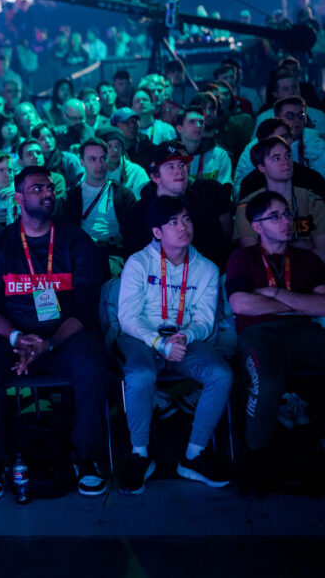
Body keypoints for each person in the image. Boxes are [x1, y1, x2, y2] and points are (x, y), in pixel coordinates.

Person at [0, 166, 111, 500]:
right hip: (12, 340)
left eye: (50, 188)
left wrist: (50, 343)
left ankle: (86, 460)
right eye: (37, 189)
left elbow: (86, 313)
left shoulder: (76, 240)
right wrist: (18, 339)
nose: (47, 194)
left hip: (65, 338)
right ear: (18, 198)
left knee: (92, 365)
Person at [226, 191, 325, 499]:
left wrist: (274, 295)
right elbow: (240, 303)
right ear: (257, 226)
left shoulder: (306, 258)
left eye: (287, 214)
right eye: (275, 216)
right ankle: (255, 464)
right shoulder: (243, 258)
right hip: (259, 334)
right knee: (267, 382)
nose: (286, 221)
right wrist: (301, 304)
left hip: (302, 332)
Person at [117, 197, 232, 495]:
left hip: (184, 340)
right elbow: (128, 318)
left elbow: (206, 320)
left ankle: (194, 454)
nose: (183, 227)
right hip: (143, 338)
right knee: (140, 376)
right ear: (157, 232)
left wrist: (185, 337)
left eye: (186, 220)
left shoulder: (205, 267)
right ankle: (139, 453)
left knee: (221, 374)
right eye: (173, 222)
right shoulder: (138, 262)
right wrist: (158, 342)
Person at [123, 142, 234, 271]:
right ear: (155, 177)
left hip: (199, 278)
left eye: (182, 165)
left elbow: (216, 251)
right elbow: (133, 261)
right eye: (171, 167)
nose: (180, 171)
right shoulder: (137, 214)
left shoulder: (203, 205)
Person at [235, 136, 325, 264]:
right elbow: (254, 260)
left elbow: (322, 257)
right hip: (267, 277)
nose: (286, 162)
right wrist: (301, 246)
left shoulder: (314, 201)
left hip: (310, 277)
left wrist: (274, 247)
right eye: (276, 158)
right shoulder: (247, 207)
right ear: (261, 167)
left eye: (287, 156)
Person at [59, 138, 136, 259]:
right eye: (92, 159)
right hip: (83, 255)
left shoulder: (123, 195)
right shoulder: (71, 197)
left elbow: (133, 233)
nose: (99, 164)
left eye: (103, 158)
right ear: (82, 162)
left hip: (115, 255)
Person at [176, 106, 233, 185]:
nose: (198, 125)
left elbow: (225, 190)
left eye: (201, 122)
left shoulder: (219, 155)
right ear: (179, 128)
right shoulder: (169, 156)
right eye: (192, 121)